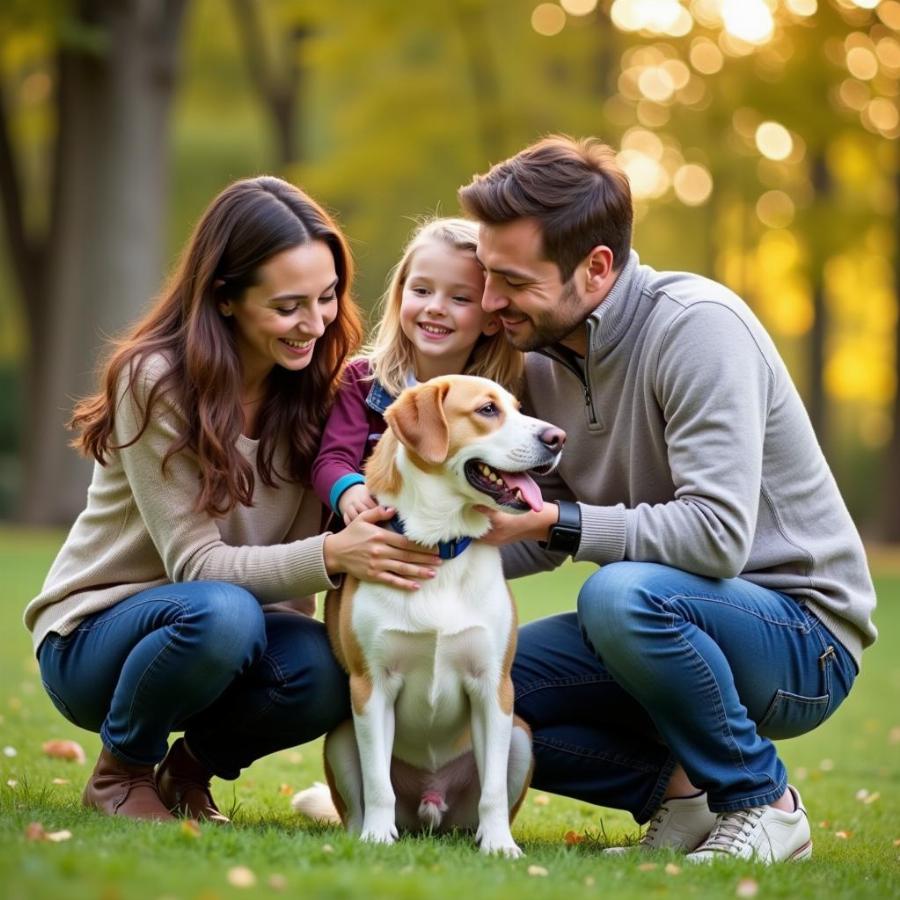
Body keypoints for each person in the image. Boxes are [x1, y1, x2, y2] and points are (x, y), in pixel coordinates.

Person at [457, 136, 877, 863]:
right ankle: (686, 805)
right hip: (667, 620)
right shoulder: (540, 357)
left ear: (596, 269)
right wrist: (417, 553)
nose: (492, 302)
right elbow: (530, 525)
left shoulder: (696, 327)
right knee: (468, 687)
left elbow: (717, 537)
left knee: (618, 596)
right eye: (488, 276)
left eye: (513, 281)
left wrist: (564, 524)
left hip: (801, 635)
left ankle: (764, 804)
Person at [24, 177, 443, 822]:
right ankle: (121, 774)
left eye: (327, 297)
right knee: (222, 612)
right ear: (224, 298)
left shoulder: (319, 388)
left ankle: (185, 774)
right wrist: (335, 552)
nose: (315, 323)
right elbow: (197, 567)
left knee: (331, 667)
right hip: (97, 641)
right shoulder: (156, 380)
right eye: (288, 306)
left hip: (232, 638)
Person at [312, 217, 522, 526]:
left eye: (460, 298)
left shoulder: (497, 401)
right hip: (372, 544)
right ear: (400, 296)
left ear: (491, 319)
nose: (436, 307)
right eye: (422, 290)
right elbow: (332, 460)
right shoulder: (363, 380)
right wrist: (349, 491)